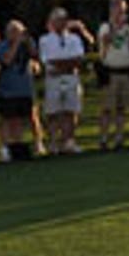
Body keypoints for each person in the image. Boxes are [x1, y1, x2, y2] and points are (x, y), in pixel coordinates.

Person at [39, 9, 88, 155]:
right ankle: (53, 143)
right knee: (53, 112)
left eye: (62, 20)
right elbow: (48, 60)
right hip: (53, 80)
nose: (60, 23)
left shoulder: (74, 39)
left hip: (71, 79)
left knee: (71, 111)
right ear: (51, 23)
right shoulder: (45, 40)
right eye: (56, 20)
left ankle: (69, 142)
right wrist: (68, 64)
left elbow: (78, 59)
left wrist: (63, 65)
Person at [95, 0, 129, 150]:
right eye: (117, 10)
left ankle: (119, 137)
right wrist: (116, 28)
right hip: (110, 71)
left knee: (122, 107)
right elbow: (104, 45)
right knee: (107, 108)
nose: (120, 13)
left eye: (123, 10)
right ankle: (103, 138)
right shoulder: (105, 27)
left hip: (126, 71)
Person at [0, 20, 40, 162]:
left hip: (25, 88)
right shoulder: (2, 46)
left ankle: (35, 144)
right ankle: (8, 147)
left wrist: (26, 42)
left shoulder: (27, 44)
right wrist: (16, 43)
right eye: (12, 31)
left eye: (17, 31)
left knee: (31, 117)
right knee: (9, 120)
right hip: (8, 89)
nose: (15, 34)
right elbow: (7, 61)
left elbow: (35, 56)